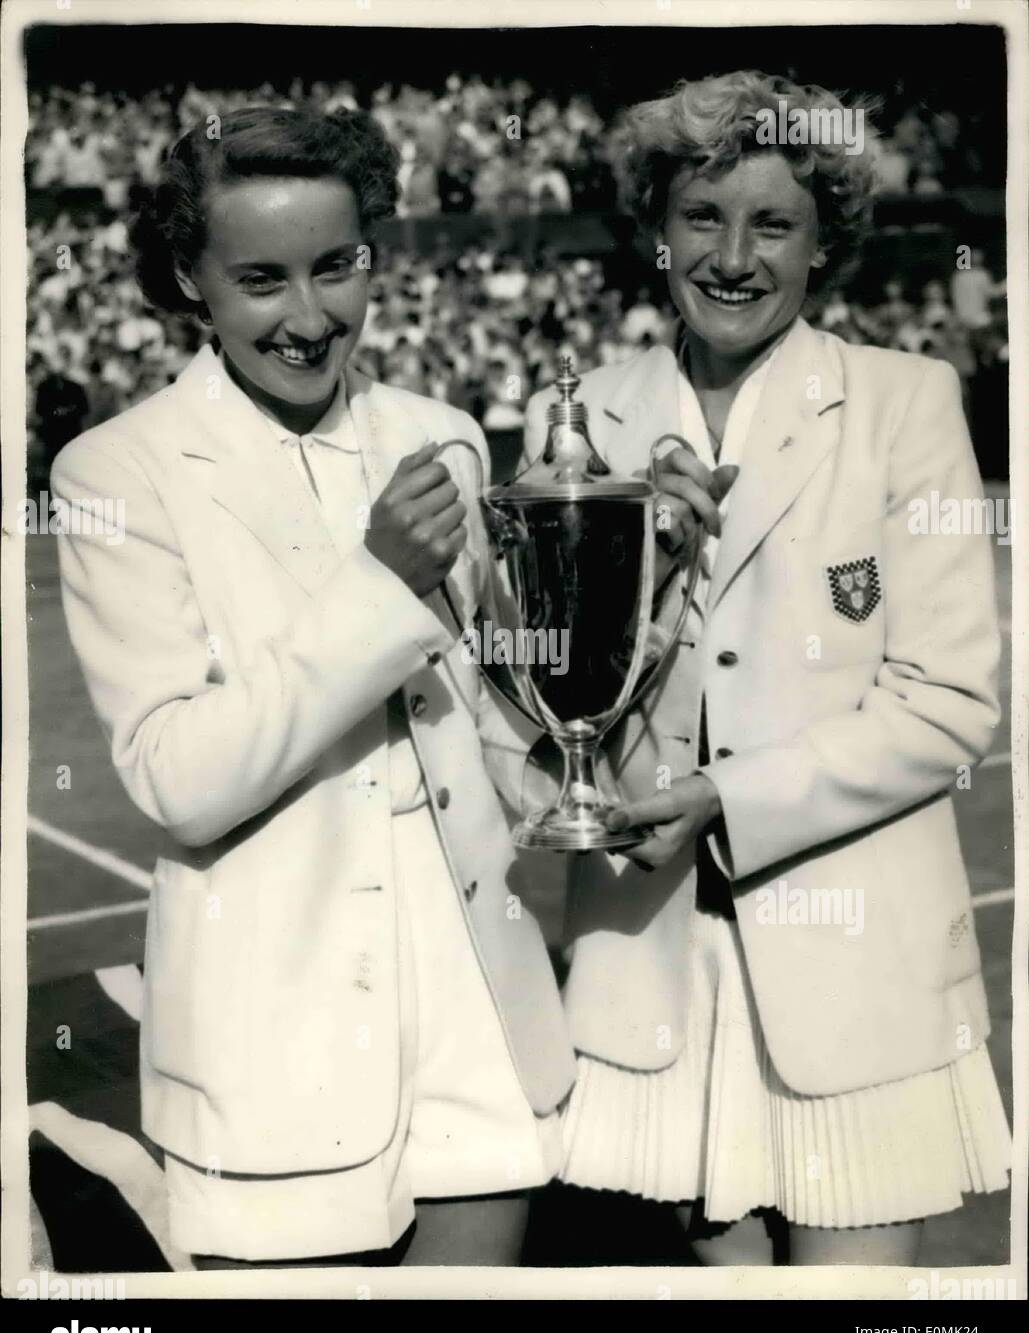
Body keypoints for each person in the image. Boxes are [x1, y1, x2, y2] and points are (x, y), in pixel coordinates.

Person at [50, 105, 574, 1269]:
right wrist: (380, 582)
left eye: (338, 267)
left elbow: (487, 707)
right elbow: (183, 780)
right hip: (270, 1030)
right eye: (261, 279)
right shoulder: (111, 473)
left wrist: (569, 759)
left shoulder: (442, 434)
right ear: (191, 280)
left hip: (473, 1005)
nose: (309, 315)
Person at [519, 71, 1010, 1266]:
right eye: (702, 217)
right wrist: (651, 564)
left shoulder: (906, 402)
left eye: (773, 223)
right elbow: (544, 704)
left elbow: (949, 702)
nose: (732, 256)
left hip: (860, 983)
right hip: (649, 973)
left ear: (824, 244)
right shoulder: (572, 419)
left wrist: (729, 803)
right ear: (652, 229)